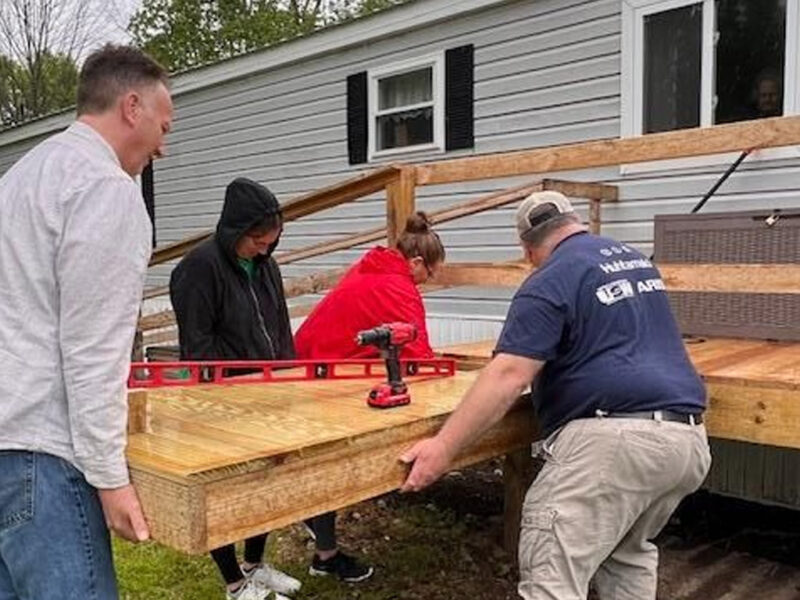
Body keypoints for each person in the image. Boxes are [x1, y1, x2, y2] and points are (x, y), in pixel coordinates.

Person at [400, 191, 712, 600]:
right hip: (686, 441)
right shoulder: (633, 261)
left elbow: (510, 374)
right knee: (626, 556)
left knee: (553, 580)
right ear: (576, 222)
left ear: (528, 250)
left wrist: (443, 447)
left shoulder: (549, 278)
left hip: (616, 443)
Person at [0, 45, 172, 600]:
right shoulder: (106, 191)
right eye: (163, 126)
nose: (162, 146)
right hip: (43, 456)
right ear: (131, 107)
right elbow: (94, 351)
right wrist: (110, 478)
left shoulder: (23, 177)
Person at [170, 178, 313, 600]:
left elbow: (280, 328)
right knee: (225, 492)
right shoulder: (198, 268)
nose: (264, 249)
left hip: (269, 394)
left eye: (271, 241)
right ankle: (234, 582)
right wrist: (238, 384)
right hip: (221, 400)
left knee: (264, 485)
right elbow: (198, 345)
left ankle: (254, 564)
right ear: (236, 230)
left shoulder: (267, 265)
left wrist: (288, 379)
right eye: (257, 241)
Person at [292, 212, 445, 581]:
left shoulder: (372, 267)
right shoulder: (397, 286)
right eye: (431, 271)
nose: (431, 279)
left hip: (309, 364)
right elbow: (419, 355)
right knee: (336, 461)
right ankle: (323, 547)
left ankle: (321, 540)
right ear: (417, 262)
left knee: (327, 461)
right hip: (326, 377)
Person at [295, 211, 445, 361]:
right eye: (430, 273)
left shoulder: (368, 267)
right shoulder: (399, 290)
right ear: (416, 263)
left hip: (302, 357)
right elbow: (416, 358)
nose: (427, 280)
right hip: (315, 369)